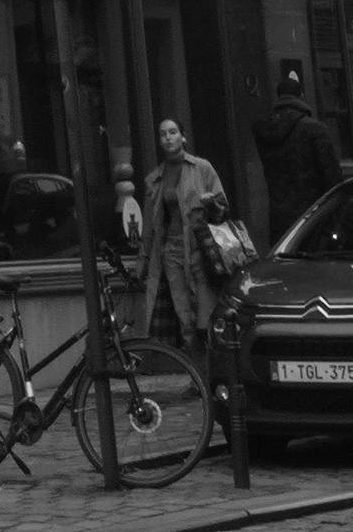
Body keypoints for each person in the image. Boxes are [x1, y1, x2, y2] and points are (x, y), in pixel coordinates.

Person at [130, 115, 232, 348]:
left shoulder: (201, 168)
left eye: (173, 132)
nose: (168, 138)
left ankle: (209, 370)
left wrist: (211, 204)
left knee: (205, 314)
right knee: (184, 314)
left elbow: (223, 210)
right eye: (163, 134)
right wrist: (142, 261)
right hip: (171, 252)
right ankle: (193, 371)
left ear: (183, 137)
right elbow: (150, 226)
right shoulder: (154, 179)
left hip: (200, 249)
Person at [250, 60, 341, 243]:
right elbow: (332, 176)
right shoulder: (314, 129)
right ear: (301, 95)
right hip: (313, 214)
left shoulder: (265, 130)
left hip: (279, 216)